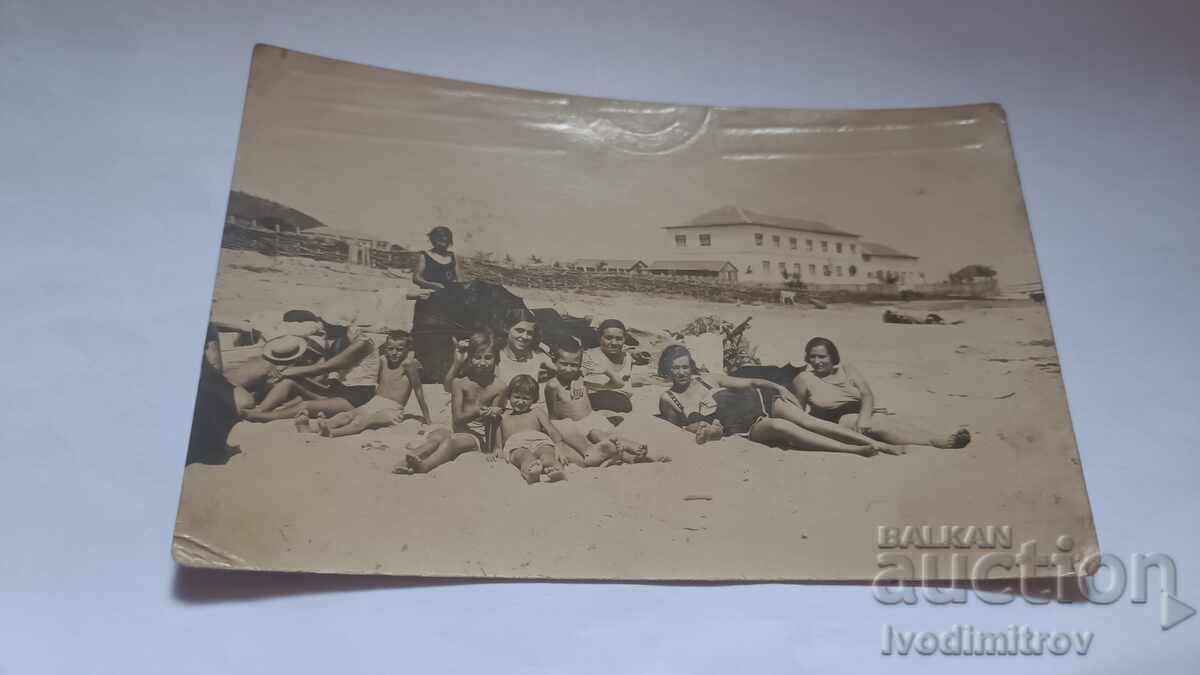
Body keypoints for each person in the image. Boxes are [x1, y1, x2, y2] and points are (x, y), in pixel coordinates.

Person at [659, 345, 902, 457]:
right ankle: (853, 449)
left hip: (761, 401)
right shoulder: (669, 399)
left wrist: (777, 387)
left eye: (684, 366)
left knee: (809, 422)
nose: (681, 372)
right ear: (667, 370)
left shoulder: (706, 379)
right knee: (781, 427)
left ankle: (877, 444)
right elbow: (678, 429)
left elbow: (751, 383)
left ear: (690, 366)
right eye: (675, 368)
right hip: (743, 428)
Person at [792, 337, 971, 449]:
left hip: (862, 413)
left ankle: (937, 436)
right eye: (812, 357)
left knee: (894, 421)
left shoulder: (847, 369)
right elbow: (797, 411)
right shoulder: (804, 378)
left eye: (822, 357)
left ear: (833, 357)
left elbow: (867, 394)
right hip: (833, 420)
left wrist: (864, 417)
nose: (816, 361)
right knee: (879, 426)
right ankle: (934, 442)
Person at [394, 332, 506, 475]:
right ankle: (410, 458)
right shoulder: (460, 383)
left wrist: (493, 448)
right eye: (477, 357)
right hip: (456, 426)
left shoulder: (499, 387)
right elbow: (457, 418)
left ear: (496, 360)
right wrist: (478, 410)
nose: (482, 363)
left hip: (477, 435)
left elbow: (494, 421)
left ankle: (424, 466)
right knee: (436, 438)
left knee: (451, 441)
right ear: (470, 359)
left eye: (488, 358)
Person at [244, 306, 378, 422]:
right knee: (289, 382)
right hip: (337, 389)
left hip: (358, 396)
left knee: (306, 406)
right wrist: (288, 374)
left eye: (326, 324)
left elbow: (326, 367)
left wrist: (284, 370)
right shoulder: (339, 340)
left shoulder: (362, 343)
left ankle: (266, 417)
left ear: (338, 326)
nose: (322, 326)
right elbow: (321, 368)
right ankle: (259, 410)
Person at [545, 338, 663, 467]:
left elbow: (619, 384)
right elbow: (553, 414)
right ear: (554, 361)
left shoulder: (580, 378)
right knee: (598, 436)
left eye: (574, 365)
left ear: (580, 364)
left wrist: (605, 370)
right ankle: (628, 454)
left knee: (603, 435)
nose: (569, 369)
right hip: (574, 425)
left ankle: (634, 452)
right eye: (563, 364)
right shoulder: (553, 385)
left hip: (592, 418)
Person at [313, 330, 431, 437]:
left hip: (393, 409)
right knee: (348, 414)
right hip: (375, 402)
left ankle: (333, 432)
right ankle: (321, 426)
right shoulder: (383, 360)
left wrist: (428, 419)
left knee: (363, 420)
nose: (394, 353)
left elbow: (419, 391)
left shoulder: (408, 364)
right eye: (390, 349)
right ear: (386, 349)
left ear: (407, 350)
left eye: (399, 350)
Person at [441, 309, 554, 393]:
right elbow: (449, 388)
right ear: (507, 329)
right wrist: (457, 364)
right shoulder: (493, 356)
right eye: (519, 330)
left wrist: (572, 381)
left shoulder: (538, 356)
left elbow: (565, 370)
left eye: (530, 333)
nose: (524, 336)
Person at [494, 375, 568, 484]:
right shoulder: (503, 416)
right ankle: (531, 472)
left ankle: (555, 469)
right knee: (523, 456)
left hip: (540, 441)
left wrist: (560, 446)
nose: (520, 402)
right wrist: (498, 448)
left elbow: (551, 429)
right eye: (517, 397)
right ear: (509, 396)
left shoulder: (536, 412)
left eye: (526, 398)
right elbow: (498, 432)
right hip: (516, 445)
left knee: (547, 454)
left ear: (533, 400)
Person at [581, 318, 653, 413]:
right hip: (597, 407)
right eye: (608, 338)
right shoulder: (589, 356)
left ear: (625, 339)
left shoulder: (627, 356)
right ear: (599, 337)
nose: (613, 343)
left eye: (618, 338)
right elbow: (579, 384)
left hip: (624, 407)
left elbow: (647, 357)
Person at [412, 226, 458, 295]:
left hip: (448, 295)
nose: (444, 239)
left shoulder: (453, 256)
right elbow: (416, 278)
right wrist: (434, 285)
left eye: (446, 238)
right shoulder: (424, 255)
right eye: (440, 238)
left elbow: (458, 278)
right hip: (430, 294)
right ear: (433, 239)